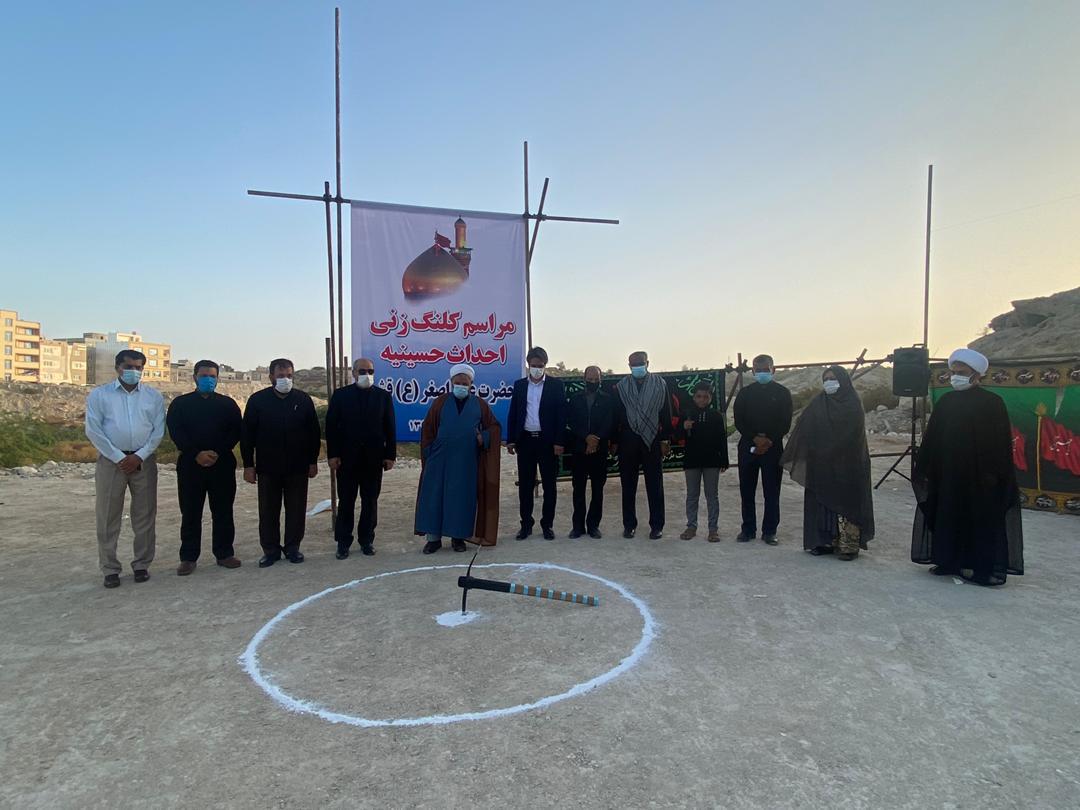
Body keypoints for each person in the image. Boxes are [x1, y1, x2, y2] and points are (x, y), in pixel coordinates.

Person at [911, 348, 1024, 586]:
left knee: (978, 520)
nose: (956, 377)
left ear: (977, 375)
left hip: (979, 477)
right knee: (947, 515)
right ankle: (948, 561)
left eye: (961, 373)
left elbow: (999, 444)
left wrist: (992, 476)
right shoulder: (946, 401)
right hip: (948, 474)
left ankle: (979, 568)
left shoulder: (992, 403)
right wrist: (927, 467)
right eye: (953, 372)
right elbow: (933, 438)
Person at [84, 349, 165, 588]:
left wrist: (139, 456)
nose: (134, 371)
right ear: (118, 367)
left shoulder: (152, 396)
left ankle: (141, 565)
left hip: (143, 461)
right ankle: (110, 568)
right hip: (112, 462)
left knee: (145, 515)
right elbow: (94, 430)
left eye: (138, 368)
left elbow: (158, 431)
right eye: (129, 367)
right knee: (108, 516)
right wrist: (119, 457)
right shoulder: (100, 395)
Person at [781, 366, 875, 560]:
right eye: (826, 379)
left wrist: (829, 447)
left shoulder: (853, 404)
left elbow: (853, 435)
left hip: (847, 464)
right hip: (821, 463)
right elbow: (804, 427)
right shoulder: (818, 402)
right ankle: (824, 542)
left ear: (843, 381)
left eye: (833, 378)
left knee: (847, 503)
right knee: (821, 501)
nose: (829, 383)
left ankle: (848, 546)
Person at [241, 358, 321, 567]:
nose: (286, 379)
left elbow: (313, 433)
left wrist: (312, 461)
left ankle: (293, 548)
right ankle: (271, 551)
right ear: (271, 377)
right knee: (268, 511)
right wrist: (248, 465)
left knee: (296, 510)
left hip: (298, 466)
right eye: (281, 376)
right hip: (268, 467)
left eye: (289, 376)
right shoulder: (257, 400)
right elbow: (247, 435)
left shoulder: (303, 399)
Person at [166, 360, 243, 575]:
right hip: (191, 465)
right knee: (190, 512)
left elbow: (236, 431)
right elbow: (176, 431)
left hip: (222, 464)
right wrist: (196, 453)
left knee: (223, 511)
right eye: (203, 376)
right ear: (194, 377)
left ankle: (224, 553)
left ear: (217, 379)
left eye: (212, 376)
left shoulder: (228, 404)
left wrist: (217, 452)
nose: (208, 379)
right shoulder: (180, 404)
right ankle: (188, 558)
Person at [415, 364, 501, 553]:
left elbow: (494, 427)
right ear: (451, 382)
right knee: (435, 498)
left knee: (462, 499)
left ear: (471, 384)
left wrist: (483, 437)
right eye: (458, 383)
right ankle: (433, 540)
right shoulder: (440, 402)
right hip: (439, 460)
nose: (461, 386)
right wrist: (429, 452)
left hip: (466, 461)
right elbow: (428, 429)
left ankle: (458, 539)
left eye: (465, 383)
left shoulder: (480, 404)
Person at [326, 357, 396, 559]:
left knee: (370, 502)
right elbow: (331, 427)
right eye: (362, 371)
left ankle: (367, 540)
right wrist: (333, 454)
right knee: (346, 502)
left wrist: (390, 455)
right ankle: (343, 543)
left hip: (373, 459)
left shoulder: (383, 396)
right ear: (354, 373)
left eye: (370, 371)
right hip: (347, 459)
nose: (367, 375)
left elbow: (390, 427)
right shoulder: (341, 396)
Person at [505, 346, 567, 540]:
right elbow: (514, 413)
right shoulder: (520, 385)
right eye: (534, 365)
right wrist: (511, 440)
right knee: (525, 486)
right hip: (525, 441)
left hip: (547, 443)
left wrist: (559, 441)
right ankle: (526, 525)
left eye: (540, 366)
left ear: (545, 365)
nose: (537, 369)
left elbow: (561, 416)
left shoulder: (556, 386)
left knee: (549, 486)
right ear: (528, 365)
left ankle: (547, 525)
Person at [733, 354, 793, 545]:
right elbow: (739, 420)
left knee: (772, 491)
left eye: (765, 369)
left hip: (772, 448)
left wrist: (768, 440)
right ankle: (748, 529)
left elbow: (785, 423)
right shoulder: (745, 393)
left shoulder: (782, 393)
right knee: (747, 491)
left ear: (773, 369)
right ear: (752, 371)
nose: (761, 373)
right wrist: (754, 439)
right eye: (758, 370)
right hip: (748, 446)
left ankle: (770, 531)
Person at [612, 350, 672, 539]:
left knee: (655, 485)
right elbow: (616, 415)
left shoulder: (660, 384)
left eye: (640, 363)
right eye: (634, 364)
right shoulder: (622, 386)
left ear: (647, 363)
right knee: (628, 485)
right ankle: (629, 525)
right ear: (629, 366)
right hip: (628, 439)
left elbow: (666, 413)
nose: (637, 367)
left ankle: (657, 525)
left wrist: (665, 439)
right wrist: (615, 441)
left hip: (652, 438)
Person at [565, 366, 614, 538]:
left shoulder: (608, 399)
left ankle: (593, 526)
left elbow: (610, 422)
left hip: (599, 450)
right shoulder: (575, 399)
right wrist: (586, 437)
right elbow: (571, 422)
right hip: (580, 450)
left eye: (596, 379)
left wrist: (596, 439)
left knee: (597, 490)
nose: (593, 382)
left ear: (600, 380)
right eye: (590, 379)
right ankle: (577, 527)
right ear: (584, 379)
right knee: (578, 489)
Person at [678, 381, 730, 542]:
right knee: (692, 495)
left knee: (712, 496)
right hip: (692, 460)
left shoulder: (716, 416)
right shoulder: (687, 414)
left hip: (712, 461)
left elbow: (722, 439)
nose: (702, 400)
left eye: (705, 397)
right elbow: (676, 435)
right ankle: (691, 527)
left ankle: (713, 530)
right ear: (694, 397)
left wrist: (724, 460)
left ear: (710, 398)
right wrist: (683, 427)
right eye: (699, 396)